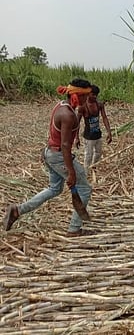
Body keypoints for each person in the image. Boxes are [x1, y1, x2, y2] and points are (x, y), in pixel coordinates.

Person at [3, 78, 94, 237]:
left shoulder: (61, 106)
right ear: (77, 96)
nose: (87, 100)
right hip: (59, 155)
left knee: (54, 189)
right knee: (85, 189)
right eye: (85, 96)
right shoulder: (68, 115)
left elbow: (56, 135)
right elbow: (65, 145)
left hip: (50, 153)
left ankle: (17, 210)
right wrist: (71, 171)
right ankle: (74, 229)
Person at [75, 84, 112, 170]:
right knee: (88, 155)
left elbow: (104, 118)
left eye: (96, 95)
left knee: (98, 153)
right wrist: (76, 137)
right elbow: (77, 123)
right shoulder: (82, 107)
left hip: (97, 134)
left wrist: (109, 132)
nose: (95, 96)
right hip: (88, 136)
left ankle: (94, 167)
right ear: (88, 94)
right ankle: (86, 172)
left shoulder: (99, 105)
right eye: (93, 94)